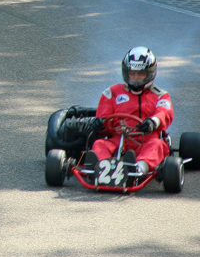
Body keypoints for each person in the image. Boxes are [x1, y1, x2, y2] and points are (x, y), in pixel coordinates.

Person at [72, 46, 173, 176]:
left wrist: (152, 122)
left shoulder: (160, 95)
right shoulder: (112, 93)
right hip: (118, 139)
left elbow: (164, 113)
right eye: (132, 73)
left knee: (157, 145)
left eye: (140, 74)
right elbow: (104, 117)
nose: (135, 78)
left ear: (149, 73)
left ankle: (138, 168)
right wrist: (101, 124)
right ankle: (102, 166)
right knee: (100, 144)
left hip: (146, 139)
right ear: (126, 72)